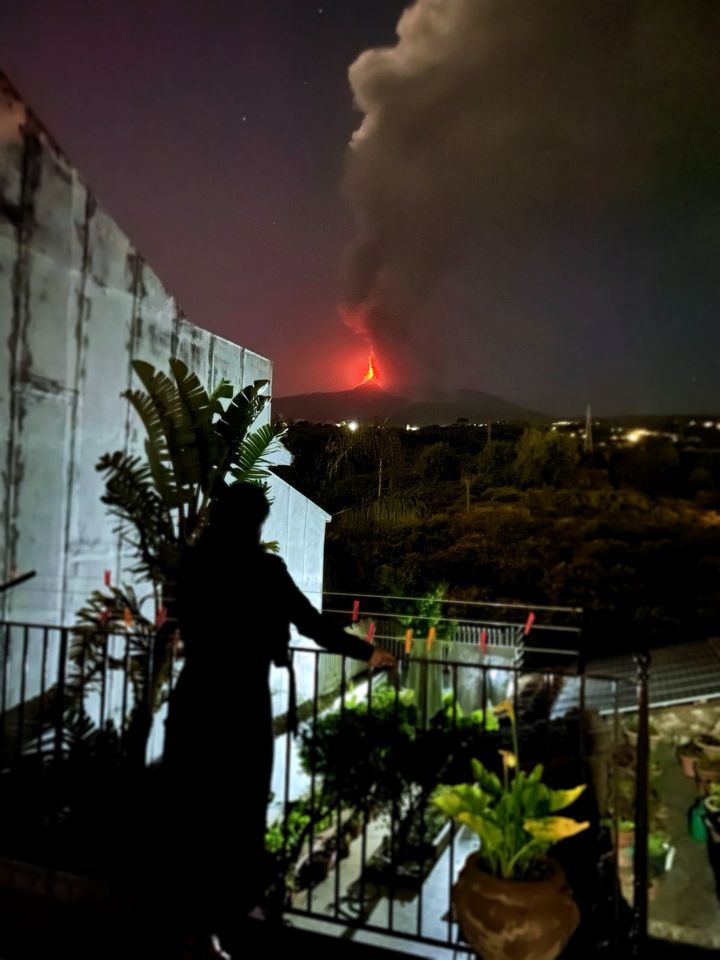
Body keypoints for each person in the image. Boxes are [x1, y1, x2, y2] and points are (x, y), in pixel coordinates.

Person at [163, 482, 395, 956]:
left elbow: (179, 619)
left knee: (192, 809)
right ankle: (225, 924)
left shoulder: (193, 562)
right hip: (240, 706)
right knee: (238, 812)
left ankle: (187, 922)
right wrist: (370, 652)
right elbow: (314, 626)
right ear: (255, 523)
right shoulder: (264, 571)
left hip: (193, 700)